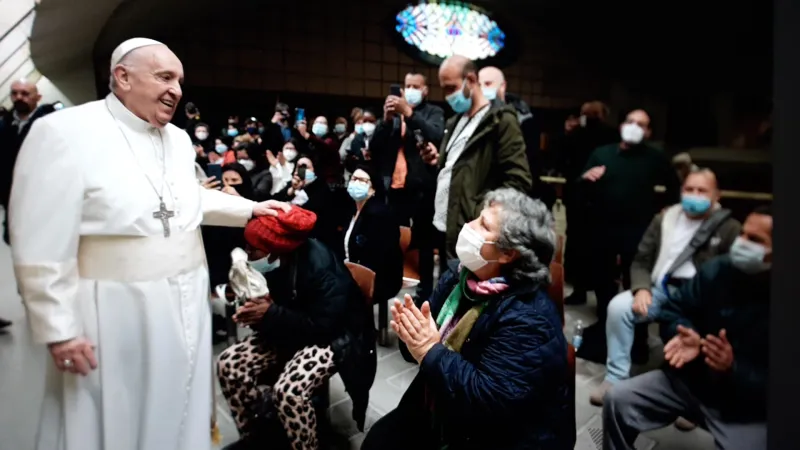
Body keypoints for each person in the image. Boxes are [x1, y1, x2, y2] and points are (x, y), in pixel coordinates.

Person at [8, 37, 290, 450]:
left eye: (179, 80)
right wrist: (59, 328)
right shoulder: (64, 132)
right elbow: (36, 240)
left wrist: (250, 209)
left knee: (181, 401)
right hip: (112, 307)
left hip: (185, 298)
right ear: (122, 76)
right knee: (115, 411)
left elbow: (187, 198)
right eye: (164, 76)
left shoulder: (176, 139)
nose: (176, 89)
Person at [363, 188, 573, 450]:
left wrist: (429, 350)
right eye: (477, 218)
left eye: (483, 225)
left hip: (497, 434)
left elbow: (489, 401)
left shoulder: (528, 319)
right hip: (443, 404)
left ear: (508, 253)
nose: (469, 226)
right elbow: (419, 353)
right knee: (378, 442)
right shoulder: (460, 275)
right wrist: (413, 337)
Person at [603, 206, 771, 450]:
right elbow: (674, 310)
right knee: (618, 399)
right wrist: (685, 333)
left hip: (742, 405)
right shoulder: (718, 269)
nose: (742, 243)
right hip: (691, 378)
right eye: (743, 234)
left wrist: (732, 368)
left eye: (755, 240)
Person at [218, 207, 377, 449]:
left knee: (289, 392)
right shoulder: (273, 264)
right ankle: (255, 434)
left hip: (336, 337)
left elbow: (323, 326)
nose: (248, 255)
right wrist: (249, 303)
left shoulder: (320, 267)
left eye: (254, 250)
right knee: (229, 365)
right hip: (291, 326)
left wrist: (270, 313)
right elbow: (275, 302)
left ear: (274, 251)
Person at [590, 169, 740, 407]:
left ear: (716, 194)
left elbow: (732, 274)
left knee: (707, 327)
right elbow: (641, 259)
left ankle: (692, 394)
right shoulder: (665, 218)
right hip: (662, 289)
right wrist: (641, 288)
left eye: (702, 190)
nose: (695, 195)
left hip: (700, 298)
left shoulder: (729, 228)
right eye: (689, 189)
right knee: (619, 308)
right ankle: (615, 377)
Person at [576, 109, 681, 364]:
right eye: (631, 122)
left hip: (639, 234)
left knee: (636, 288)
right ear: (622, 125)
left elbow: (674, 191)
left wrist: (665, 210)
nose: (634, 127)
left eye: (641, 125)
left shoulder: (655, 158)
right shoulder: (602, 153)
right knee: (603, 286)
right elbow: (578, 189)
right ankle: (605, 336)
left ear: (648, 132)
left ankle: (639, 343)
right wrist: (586, 179)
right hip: (602, 231)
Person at [420, 55, 532, 262]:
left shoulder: (500, 120)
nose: (447, 96)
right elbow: (462, 166)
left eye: (451, 88)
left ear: (471, 80)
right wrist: (437, 161)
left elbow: (518, 181)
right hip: (445, 227)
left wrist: (479, 214)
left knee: (466, 290)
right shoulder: (455, 121)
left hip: (472, 231)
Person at [340, 165, 403, 344]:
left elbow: (381, 258)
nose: (356, 183)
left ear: (373, 189)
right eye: (353, 179)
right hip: (353, 268)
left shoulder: (380, 215)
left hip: (380, 277)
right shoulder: (352, 210)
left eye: (362, 180)